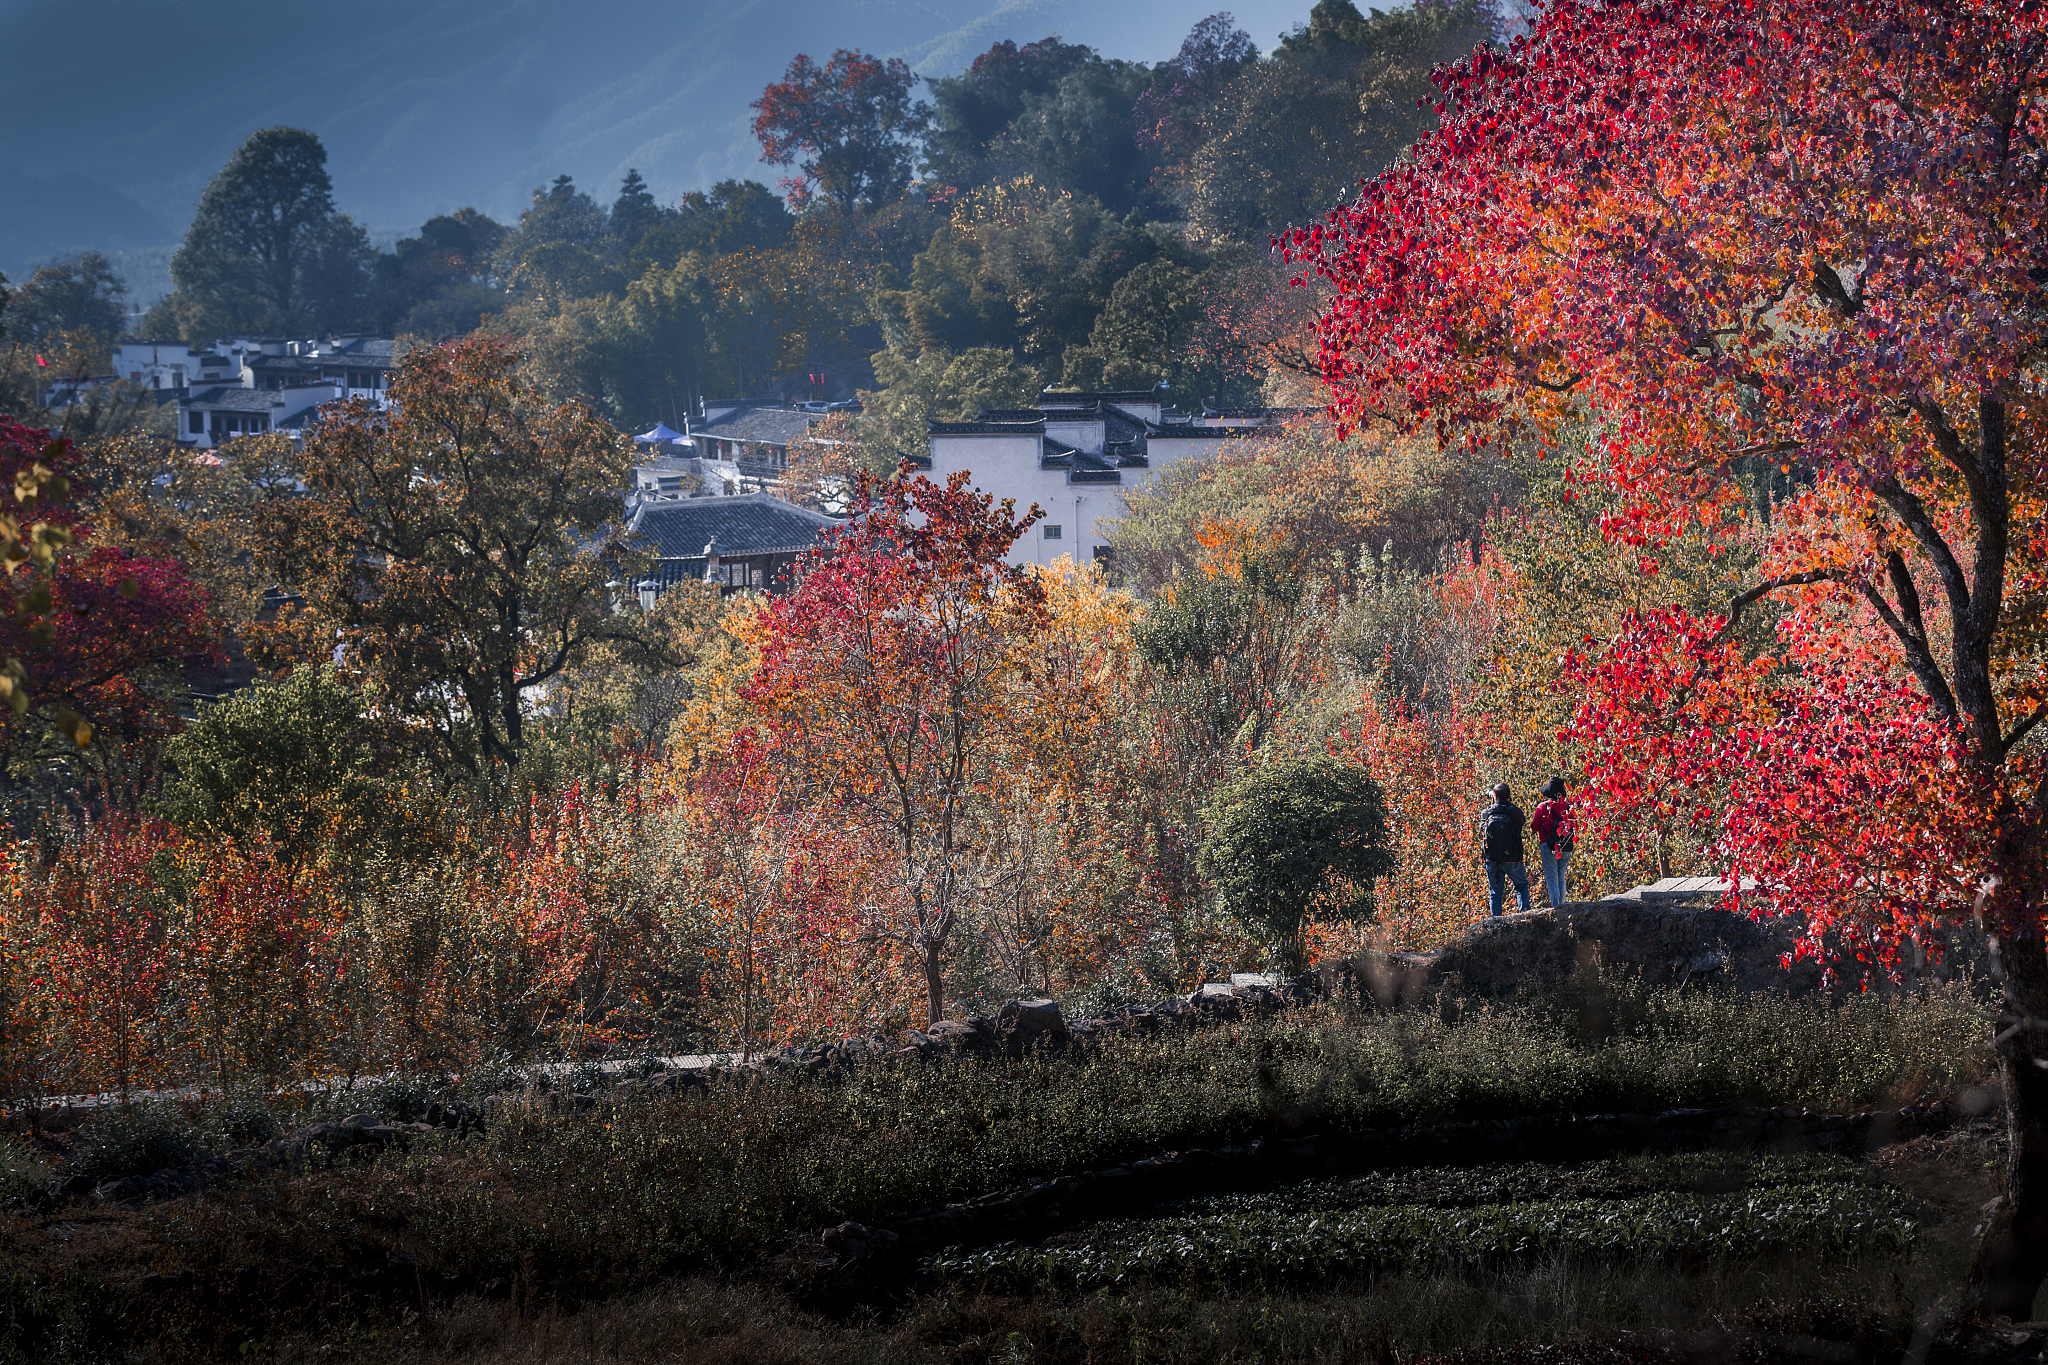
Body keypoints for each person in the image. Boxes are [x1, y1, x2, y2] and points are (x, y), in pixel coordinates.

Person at [1480, 782, 1531, 916]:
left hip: (1492, 860)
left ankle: (1496, 926)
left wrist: (1493, 805)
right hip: (1513, 858)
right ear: (1509, 796)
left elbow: (1482, 830)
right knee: (1521, 887)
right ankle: (1525, 918)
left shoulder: (1486, 813)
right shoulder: (1515, 811)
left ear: (1494, 796)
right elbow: (1521, 824)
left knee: (1495, 894)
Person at [1531, 776, 1574, 907]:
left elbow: (1534, 827)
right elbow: (1574, 825)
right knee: (1561, 877)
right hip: (1565, 845)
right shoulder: (1568, 806)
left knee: (1552, 878)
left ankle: (1556, 908)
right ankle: (1563, 905)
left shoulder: (1542, 807)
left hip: (1547, 845)